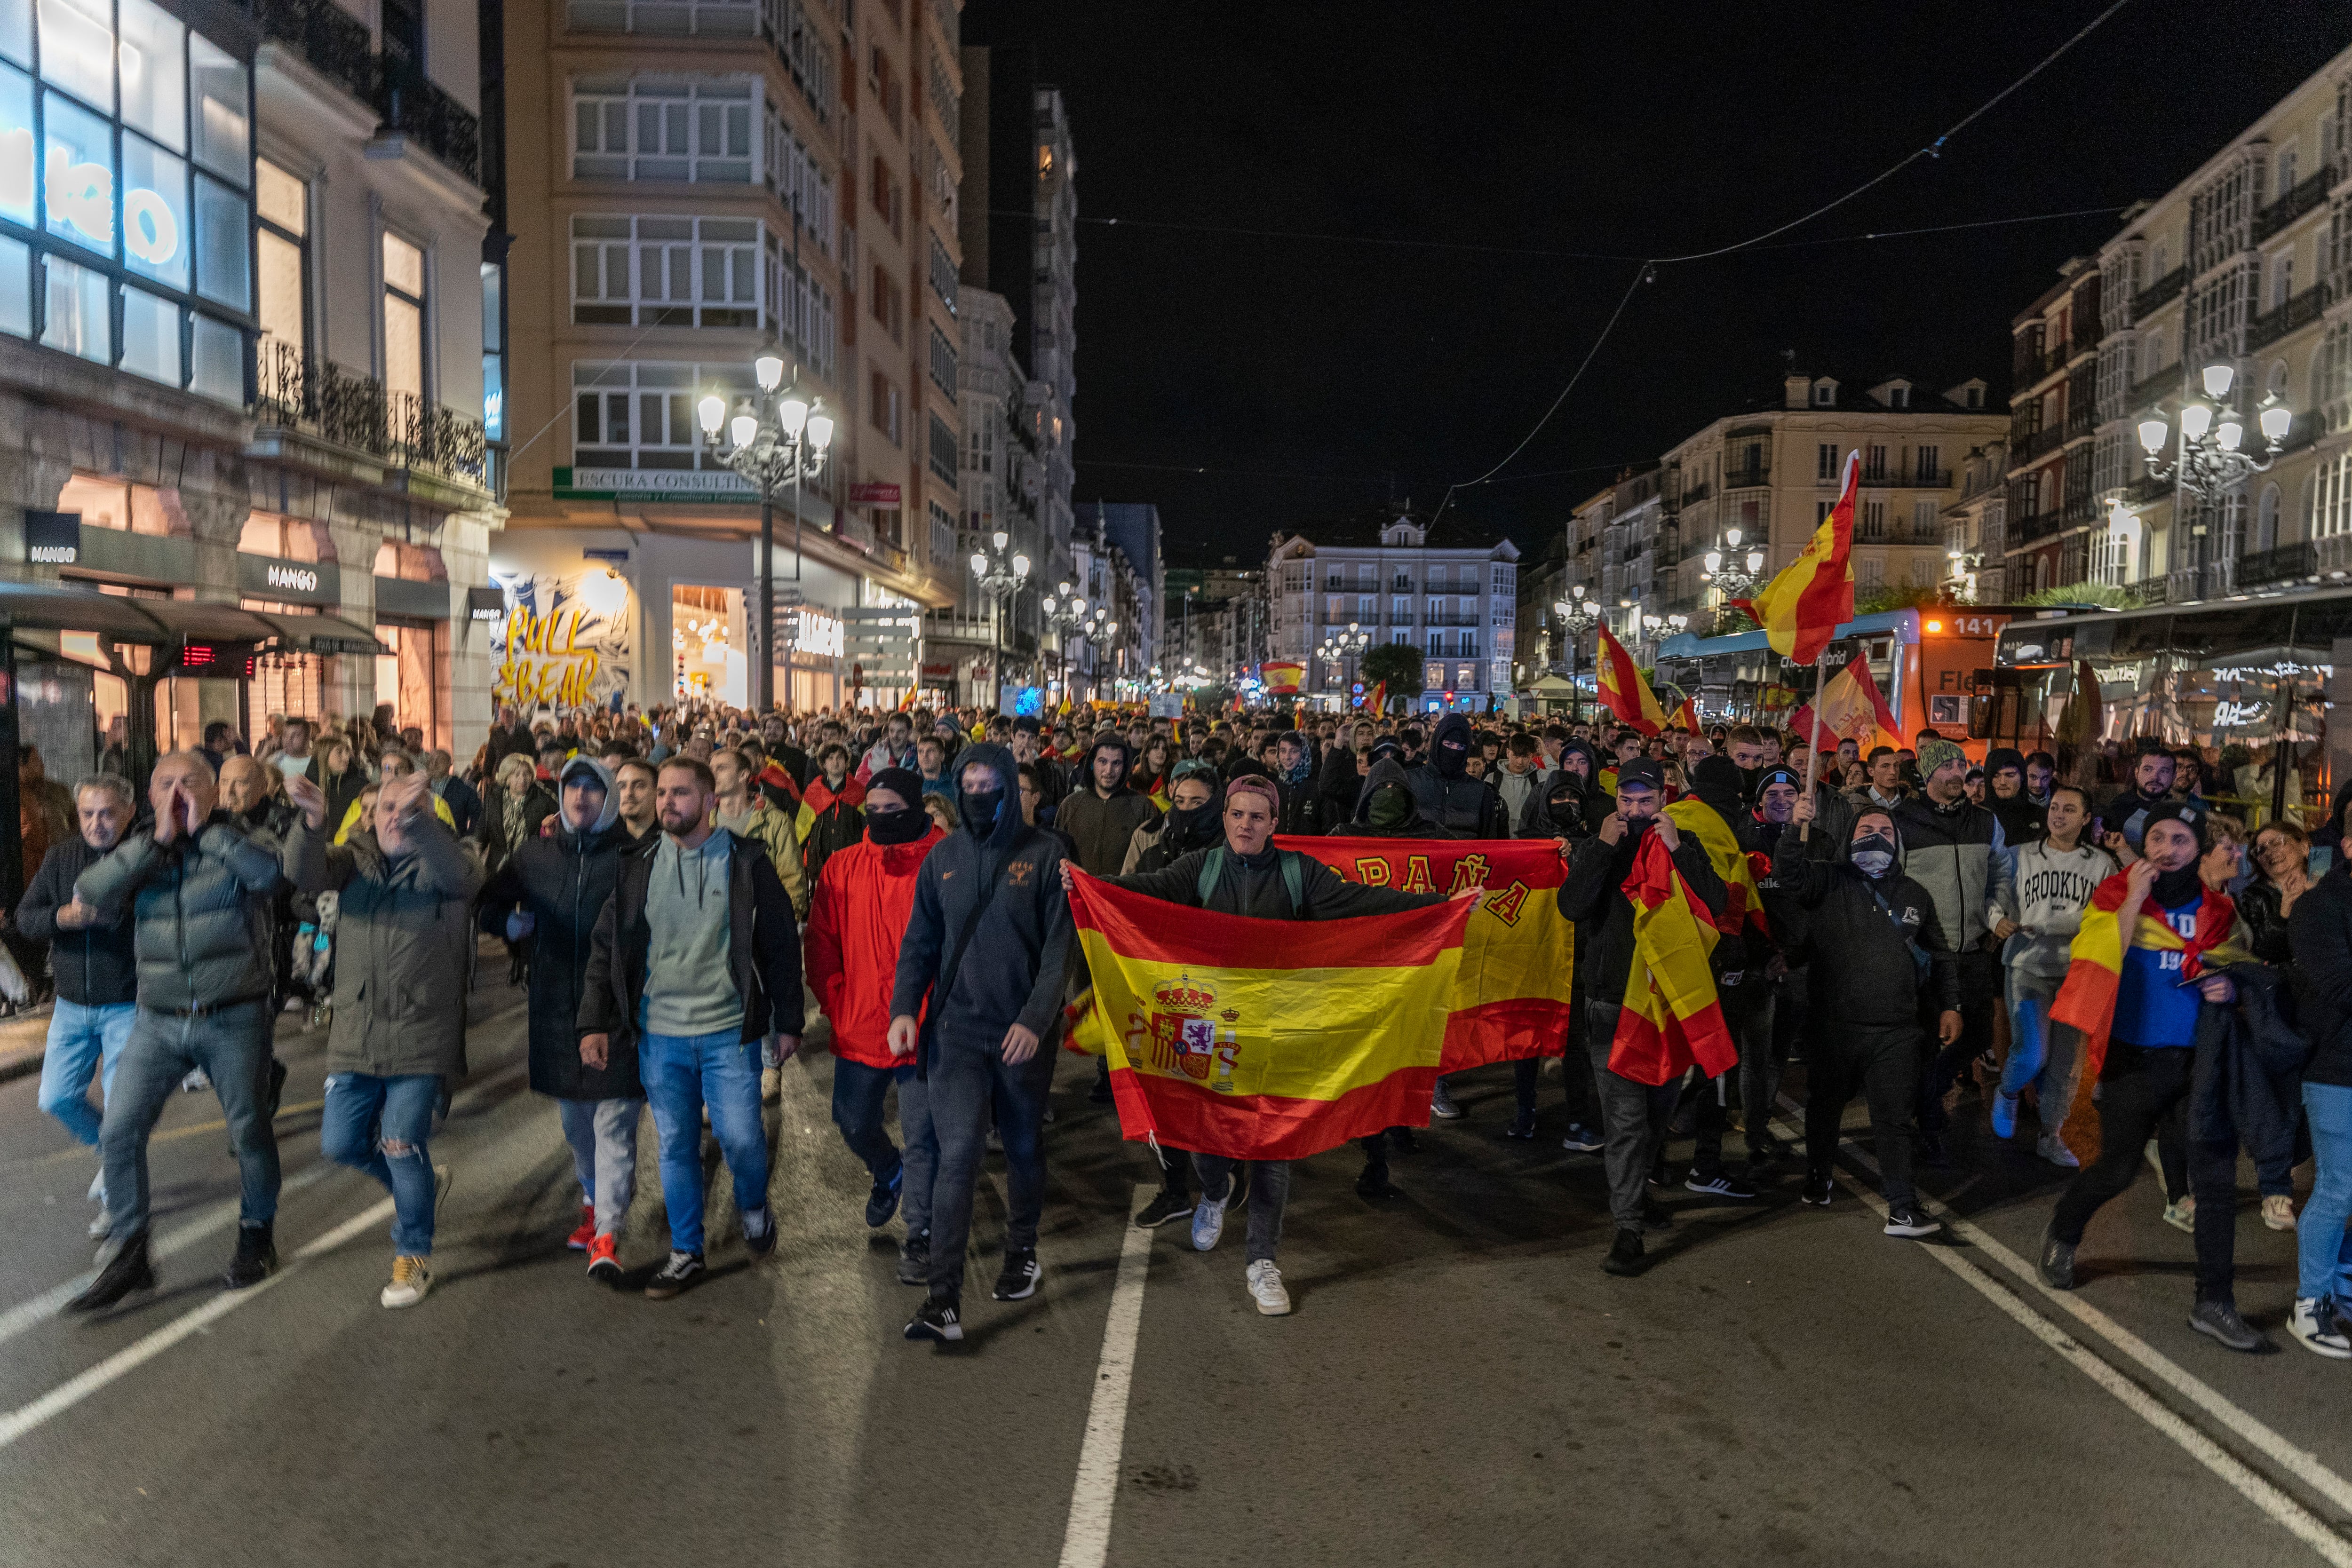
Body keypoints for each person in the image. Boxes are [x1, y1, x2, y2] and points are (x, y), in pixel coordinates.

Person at [1078, 774, 1458, 1315]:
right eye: (1236, 814)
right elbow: (1146, 890)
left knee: (1271, 1146)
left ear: (1275, 823)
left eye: (1257, 816)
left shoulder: (1299, 872)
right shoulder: (1200, 867)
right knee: (1204, 1130)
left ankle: (1262, 1260)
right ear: (1225, 817)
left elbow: (1363, 903)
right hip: (1210, 1032)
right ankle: (1213, 1191)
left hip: (1279, 1030)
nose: (1245, 825)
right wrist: (1085, 883)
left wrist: (1442, 905)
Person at [68, 752, 289, 1310]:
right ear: (149, 796)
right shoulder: (141, 849)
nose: (177, 791)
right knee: (119, 1131)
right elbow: (93, 890)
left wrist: (204, 834)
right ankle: (132, 1248)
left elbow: (268, 876)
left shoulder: (243, 838)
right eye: (165, 783)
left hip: (233, 1013)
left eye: (189, 782)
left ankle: (256, 1235)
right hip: (159, 1018)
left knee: (250, 1131)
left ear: (213, 793)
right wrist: (159, 842)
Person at [2035, 805, 2260, 1352]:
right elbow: (2090, 958)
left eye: (2179, 839)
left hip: (2196, 1065)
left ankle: (2214, 1301)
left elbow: (2238, 969)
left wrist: (2228, 989)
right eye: (2156, 837)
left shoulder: (2218, 910)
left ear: (2198, 848)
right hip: (2132, 1059)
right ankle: (2063, 1232)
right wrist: (2134, 901)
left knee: (2212, 1184)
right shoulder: (2116, 893)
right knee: (2115, 1170)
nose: (2165, 848)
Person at [580, 758, 803, 1300]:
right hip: (661, 1034)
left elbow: (778, 945)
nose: (666, 803)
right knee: (676, 1144)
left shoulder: (746, 862)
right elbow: (607, 945)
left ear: (708, 801)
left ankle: (752, 1207)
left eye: (679, 793)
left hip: (730, 1031)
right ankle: (686, 1251)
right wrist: (594, 1021)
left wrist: (789, 1021)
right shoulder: (637, 865)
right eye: (662, 793)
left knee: (742, 1137)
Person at [889, 743, 1074, 1343]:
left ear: (1011, 788)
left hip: (1021, 1036)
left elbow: (1058, 952)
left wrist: (1035, 1019)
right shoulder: (942, 858)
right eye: (967, 781)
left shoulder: (1047, 856)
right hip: (957, 1033)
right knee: (958, 1155)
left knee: (1021, 1146)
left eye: (989, 781)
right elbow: (919, 943)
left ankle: (1021, 1250)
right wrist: (903, 1009)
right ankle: (942, 1299)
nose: (977, 792)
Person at [282, 768, 481, 1308]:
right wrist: (313, 821)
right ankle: (417, 1184)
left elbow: (462, 878)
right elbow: (303, 871)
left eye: (406, 808)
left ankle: (413, 1253)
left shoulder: (445, 862)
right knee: (341, 1143)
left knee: (399, 1139)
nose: (393, 817)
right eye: (384, 808)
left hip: (422, 1033)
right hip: (357, 1030)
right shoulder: (353, 861)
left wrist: (420, 824)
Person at [476, 756, 651, 1283]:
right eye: (572, 788)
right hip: (554, 1006)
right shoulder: (535, 855)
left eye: (592, 790)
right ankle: (594, 1197)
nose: (580, 798)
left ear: (609, 799)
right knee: (577, 1123)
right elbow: (487, 902)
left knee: (613, 1121)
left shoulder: (635, 856)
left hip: (619, 1010)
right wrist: (507, 922)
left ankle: (609, 1229)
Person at [1556, 759, 1728, 1275]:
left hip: (1668, 1004)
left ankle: (1636, 1196)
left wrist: (1679, 849)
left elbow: (1716, 903)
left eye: (1644, 801)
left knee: (1658, 1114)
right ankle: (1627, 1227)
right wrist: (1603, 848)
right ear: (1615, 802)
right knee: (1627, 1123)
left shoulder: (1683, 844)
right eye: (1626, 801)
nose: (1634, 810)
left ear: (1662, 799)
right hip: (1611, 1005)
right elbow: (1571, 906)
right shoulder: (1599, 844)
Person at [1776, 795, 1958, 1235]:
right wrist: (1792, 831)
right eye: (1865, 831)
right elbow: (1789, 878)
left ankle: (1902, 1207)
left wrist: (1951, 1005)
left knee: (1893, 1120)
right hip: (1834, 1027)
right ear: (1848, 838)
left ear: (1898, 842)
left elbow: (1940, 954)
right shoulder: (1827, 880)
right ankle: (1818, 1176)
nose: (1875, 838)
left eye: (1885, 832)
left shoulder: (1915, 894)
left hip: (1896, 1033)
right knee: (1825, 1111)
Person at [803, 768, 944, 1248]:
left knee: (923, 1134)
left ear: (917, 807)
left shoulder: (946, 860)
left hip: (928, 1024)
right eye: (874, 809)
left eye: (894, 809)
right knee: (853, 1119)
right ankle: (888, 1171)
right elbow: (820, 941)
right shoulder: (842, 866)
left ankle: (921, 1233)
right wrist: (836, 1000)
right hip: (862, 1019)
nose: (882, 817)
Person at [1330, 756, 1480, 1191]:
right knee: (1372, 1063)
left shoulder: (1432, 837)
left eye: (1397, 793)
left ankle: (1399, 1126)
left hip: (1417, 970)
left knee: (1409, 1057)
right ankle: (1375, 1154)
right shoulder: (1344, 837)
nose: (1389, 799)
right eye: (1381, 792)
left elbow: (1473, 859)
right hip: (1364, 971)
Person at [17, 773, 139, 1238]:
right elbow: (27, 917)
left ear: (127, 813)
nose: (97, 823)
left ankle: (118, 1206)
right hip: (70, 1005)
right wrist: (59, 918)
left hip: (127, 1003)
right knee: (56, 1097)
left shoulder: (143, 858)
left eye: (107, 813)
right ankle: (112, 1154)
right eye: (88, 813)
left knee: (122, 1106)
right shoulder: (61, 857)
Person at [1988, 784, 2116, 1166]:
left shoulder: (2101, 864)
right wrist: (1997, 920)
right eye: (2055, 808)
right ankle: (2008, 1093)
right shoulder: (2021, 855)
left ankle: (2051, 1136)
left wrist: (2054, 924)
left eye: (2069, 809)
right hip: (2028, 965)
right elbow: (1995, 897)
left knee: (2066, 1065)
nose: (2059, 815)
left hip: (2077, 972)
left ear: (2085, 818)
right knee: (2031, 1052)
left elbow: (2107, 914)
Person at [1891, 735, 2001, 1160]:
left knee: (1974, 1034)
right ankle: (1927, 1121)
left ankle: (1925, 1098)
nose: (1958, 774)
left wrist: (1994, 917)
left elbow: (2001, 874)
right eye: (1948, 767)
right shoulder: (1903, 821)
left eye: (1962, 767)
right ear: (1927, 773)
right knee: (1927, 1038)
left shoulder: (1985, 821)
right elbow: (1891, 884)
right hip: (1926, 952)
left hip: (1973, 948)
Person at [2288, 835, 2352, 1355]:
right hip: (2336, 1069)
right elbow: (2339, 985)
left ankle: (2344, 1286)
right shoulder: (2318, 907)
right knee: (2337, 1187)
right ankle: (2308, 1305)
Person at [1057, 736, 1160, 880]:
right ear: (1092, 763)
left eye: (1116, 763)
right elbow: (1057, 856)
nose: (1109, 770)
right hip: (1078, 895)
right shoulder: (1071, 805)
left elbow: (1151, 862)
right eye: (1103, 761)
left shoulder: (1141, 806)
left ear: (1125, 766)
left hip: (1121, 897)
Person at [1408, 713, 1509, 839]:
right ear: (1438, 743)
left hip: (1466, 858)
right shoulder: (1410, 782)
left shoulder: (1481, 792)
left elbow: (1489, 843)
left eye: (1461, 747)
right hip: (1421, 857)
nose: (1454, 751)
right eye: (1449, 745)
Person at [797, 744, 866, 887]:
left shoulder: (858, 792)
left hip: (851, 864)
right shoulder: (813, 792)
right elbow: (801, 830)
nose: (836, 762)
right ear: (823, 763)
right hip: (820, 864)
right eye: (831, 758)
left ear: (847, 762)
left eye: (840, 758)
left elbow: (867, 828)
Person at [424, 748, 484, 839]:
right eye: (431, 760)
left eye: (440, 760)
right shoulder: (420, 788)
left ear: (450, 763)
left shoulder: (463, 790)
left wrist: (468, 839)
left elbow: (478, 816)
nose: (434, 764)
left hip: (452, 842)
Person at [613, 756, 659, 842]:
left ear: (656, 792)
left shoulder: (672, 843)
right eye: (622, 787)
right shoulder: (605, 843)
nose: (629, 793)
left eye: (639, 786)